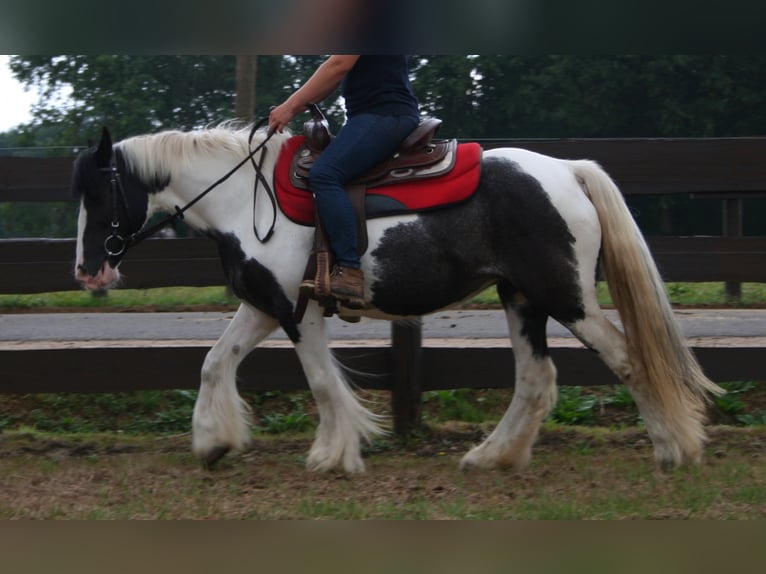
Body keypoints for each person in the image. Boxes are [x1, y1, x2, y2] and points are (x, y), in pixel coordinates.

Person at [269, 55, 420, 306]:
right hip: (374, 116)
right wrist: (298, 106)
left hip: (383, 115)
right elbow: (331, 77)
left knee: (325, 174)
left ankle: (349, 271)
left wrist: (289, 106)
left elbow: (338, 65)